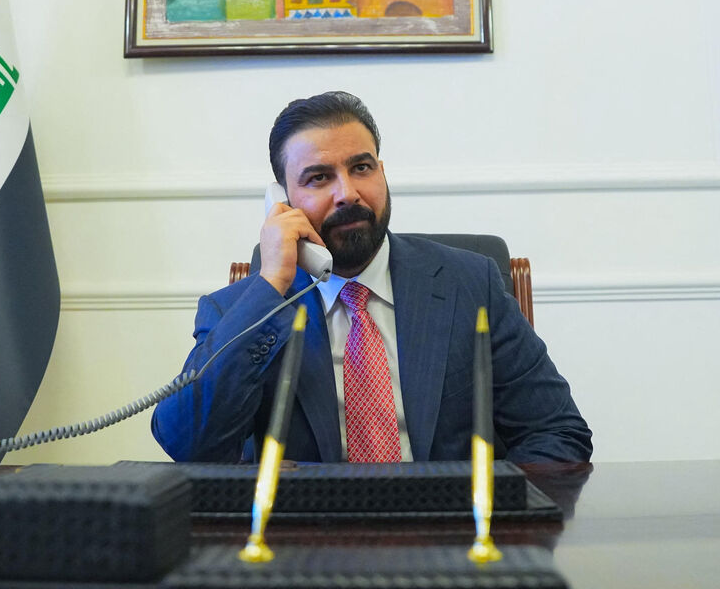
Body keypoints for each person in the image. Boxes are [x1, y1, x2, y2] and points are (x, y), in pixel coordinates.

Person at [151, 91, 592, 463]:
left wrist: (489, 514)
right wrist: (271, 286)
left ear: (383, 173)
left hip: (449, 530)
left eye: (361, 168)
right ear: (282, 203)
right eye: (319, 178)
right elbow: (188, 447)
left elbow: (557, 432)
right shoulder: (239, 310)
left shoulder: (470, 283)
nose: (348, 193)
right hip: (304, 533)